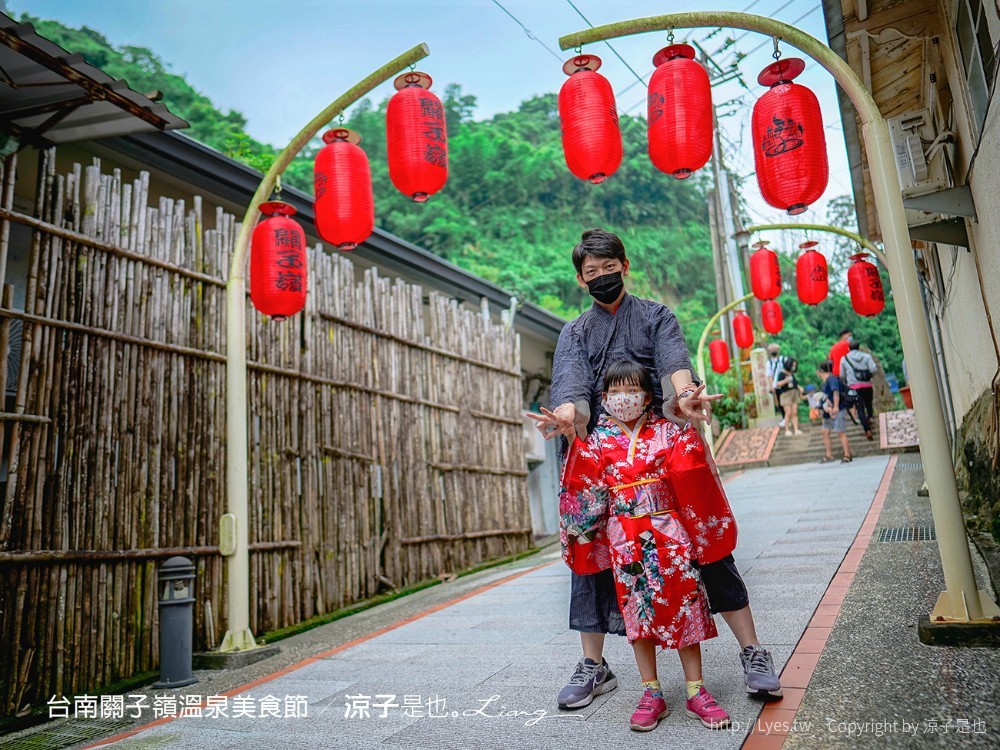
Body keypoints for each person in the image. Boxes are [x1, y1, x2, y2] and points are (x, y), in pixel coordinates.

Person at [528, 228, 782, 711]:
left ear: (625, 265)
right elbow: (572, 391)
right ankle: (595, 665)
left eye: (608, 268)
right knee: (591, 554)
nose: (601, 278)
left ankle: (752, 652)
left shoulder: (656, 316)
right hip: (601, 453)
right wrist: (566, 416)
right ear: (580, 280)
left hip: (662, 444)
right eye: (591, 273)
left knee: (705, 548)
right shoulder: (575, 333)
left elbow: (675, 370)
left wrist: (684, 397)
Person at [559, 361, 731, 732]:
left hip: (670, 531)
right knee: (638, 610)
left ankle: (696, 690)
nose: (624, 399)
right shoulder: (599, 441)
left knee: (685, 602)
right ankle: (651, 692)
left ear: (647, 396)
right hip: (625, 537)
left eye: (631, 391)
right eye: (615, 392)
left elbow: (690, 469)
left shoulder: (667, 431)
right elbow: (584, 485)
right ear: (604, 398)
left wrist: (689, 422)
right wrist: (573, 438)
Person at [840, 341, 878, 440]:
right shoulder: (867, 356)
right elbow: (873, 369)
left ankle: (867, 430)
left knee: (860, 408)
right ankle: (870, 418)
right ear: (859, 348)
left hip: (854, 387)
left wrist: (848, 382)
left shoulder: (844, 359)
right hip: (867, 385)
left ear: (849, 349)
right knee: (868, 404)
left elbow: (842, 375)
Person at [817, 360, 852, 463]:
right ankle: (829, 455)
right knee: (825, 431)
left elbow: (835, 392)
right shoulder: (826, 381)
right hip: (828, 410)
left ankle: (847, 455)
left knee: (840, 431)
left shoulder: (832, 379)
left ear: (820, 371)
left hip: (837, 408)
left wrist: (836, 406)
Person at [775, 357, 803, 436]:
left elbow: (795, 384)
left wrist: (799, 387)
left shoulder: (792, 374)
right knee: (788, 412)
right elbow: (778, 384)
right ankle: (787, 430)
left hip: (794, 393)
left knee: (794, 412)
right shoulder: (782, 374)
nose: (794, 367)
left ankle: (796, 429)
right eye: (793, 365)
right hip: (785, 394)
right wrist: (785, 381)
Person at [766, 343, 786, 426]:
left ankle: (787, 419)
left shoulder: (783, 359)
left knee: (786, 402)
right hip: (776, 385)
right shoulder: (769, 363)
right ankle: (785, 418)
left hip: (784, 384)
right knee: (779, 402)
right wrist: (772, 386)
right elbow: (769, 376)